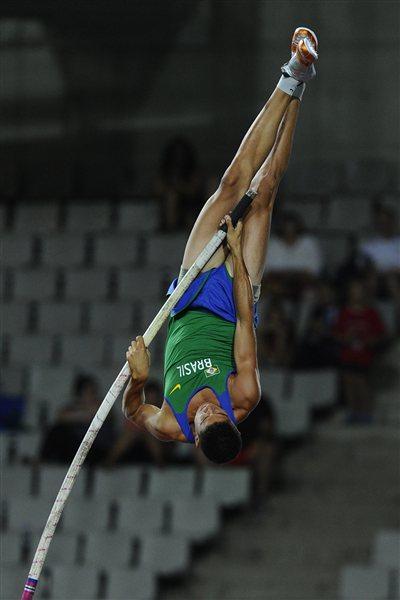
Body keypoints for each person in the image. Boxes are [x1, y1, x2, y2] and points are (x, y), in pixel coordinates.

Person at [122, 28, 319, 463]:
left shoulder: (171, 423)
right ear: (231, 419)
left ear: (194, 434)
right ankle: (297, 78)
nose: (210, 408)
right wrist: (235, 251)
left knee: (231, 186)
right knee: (261, 191)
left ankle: (294, 82)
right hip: (234, 300)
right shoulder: (243, 395)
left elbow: (135, 411)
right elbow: (248, 315)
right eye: (219, 415)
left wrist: (138, 380)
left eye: (206, 416)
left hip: (190, 296)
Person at [333, 279, 386, 424]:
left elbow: (381, 334)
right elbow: (336, 333)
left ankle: (366, 412)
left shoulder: (371, 313)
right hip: (348, 354)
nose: (356, 293)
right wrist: (346, 338)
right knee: (349, 381)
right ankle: (353, 411)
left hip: (365, 355)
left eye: (359, 290)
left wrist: (371, 340)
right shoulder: (344, 313)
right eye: (353, 289)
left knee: (362, 383)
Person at [40, 374, 115, 465]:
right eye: (87, 392)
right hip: (77, 449)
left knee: (60, 431)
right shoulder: (75, 408)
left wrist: (82, 413)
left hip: (97, 448)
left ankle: (44, 459)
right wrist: (82, 411)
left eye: (92, 392)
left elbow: (92, 415)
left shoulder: (104, 406)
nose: (91, 395)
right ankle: (45, 459)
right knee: (58, 430)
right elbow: (61, 416)